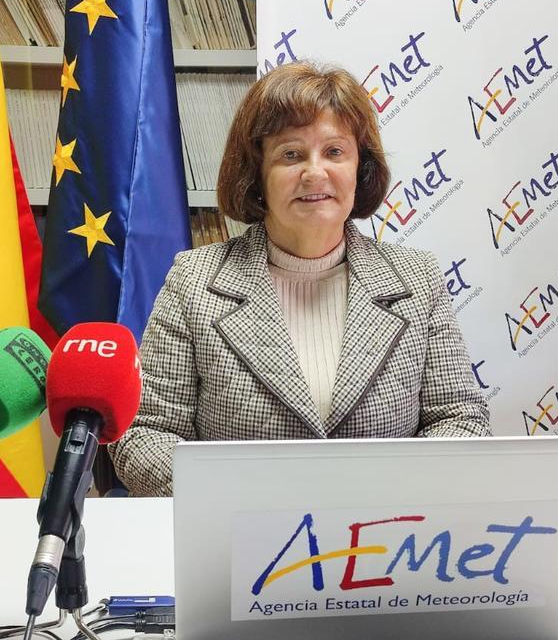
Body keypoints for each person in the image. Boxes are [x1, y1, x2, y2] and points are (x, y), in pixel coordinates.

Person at [109, 62, 490, 496]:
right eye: (291, 154)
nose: (315, 172)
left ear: (359, 168)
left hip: (385, 544)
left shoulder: (417, 280)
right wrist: (243, 499)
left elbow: (461, 421)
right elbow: (145, 436)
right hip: (241, 545)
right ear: (257, 175)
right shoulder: (194, 282)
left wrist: (380, 496)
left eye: (334, 152)